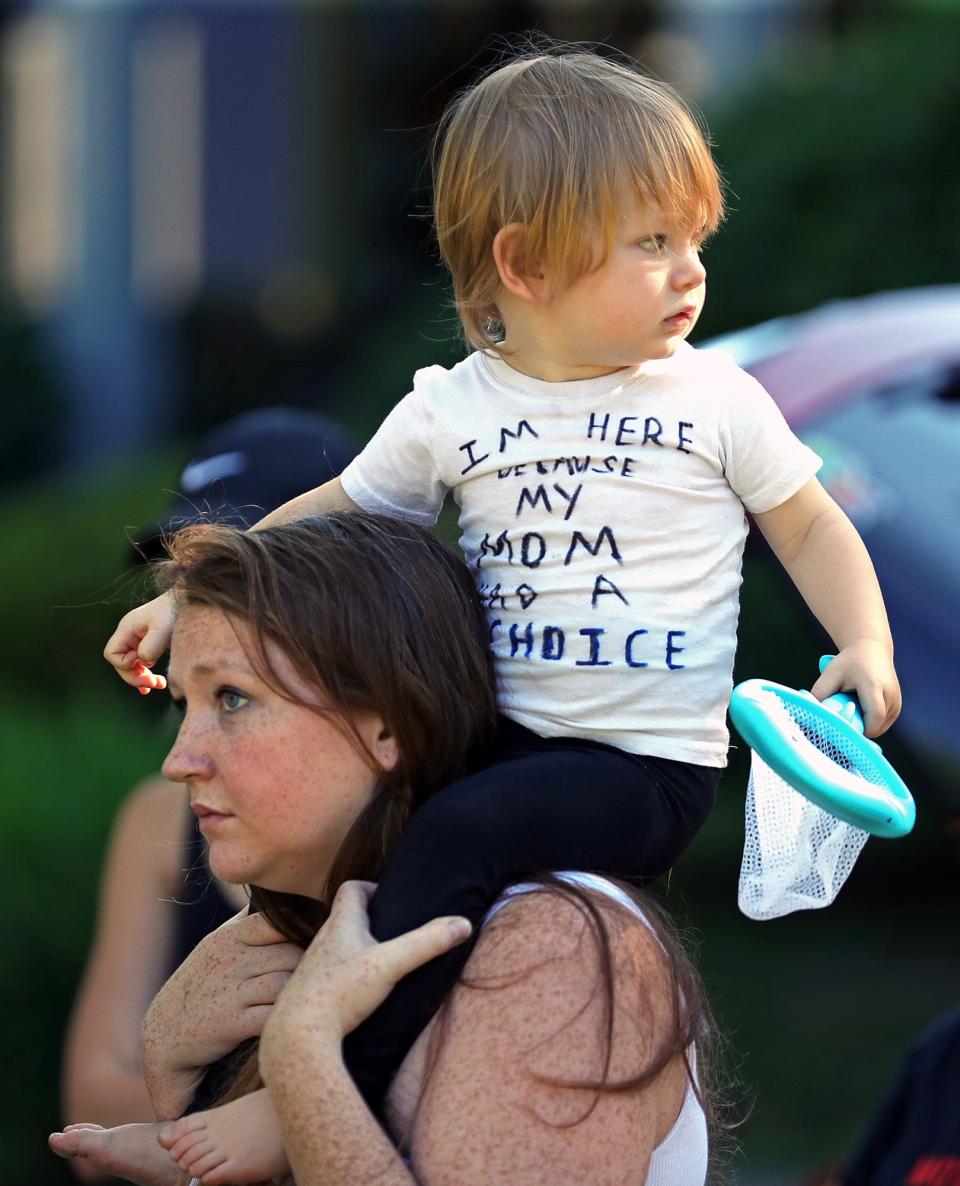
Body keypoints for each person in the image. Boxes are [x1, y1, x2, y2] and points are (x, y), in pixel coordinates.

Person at [101, 44, 901, 1180]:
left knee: (459, 835)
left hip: (638, 761)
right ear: (524, 264)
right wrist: (192, 591)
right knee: (355, 827)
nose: (690, 272)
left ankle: (296, 1104)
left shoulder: (716, 398)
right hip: (498, 741)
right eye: (652, 243)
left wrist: (862, 641)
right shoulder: (454, 409)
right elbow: (335, 510)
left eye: (693, 242)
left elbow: (811, 524)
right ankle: (221, 1069)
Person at [51, 513, 720, 1186]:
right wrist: (171, 1070)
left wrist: (300, 1058)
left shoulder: (548, 946)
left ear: (385, 727)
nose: (180, 760)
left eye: (232, 698)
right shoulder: (283, 944)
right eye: (183, 706)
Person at [61, 409, 357, 1176]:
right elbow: (89, 1107)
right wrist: (173, 1050)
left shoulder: (465, 823)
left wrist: (222, 1121)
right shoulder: (161, 817)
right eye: (177, 579)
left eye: (230, 573)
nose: (185, 606)